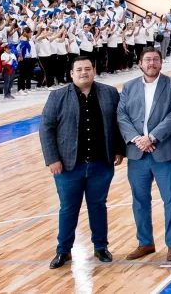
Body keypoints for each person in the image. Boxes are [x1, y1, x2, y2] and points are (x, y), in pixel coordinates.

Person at [39, 55, 126, 269]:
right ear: (71, 73)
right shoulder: (57, 96)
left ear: (94, 71)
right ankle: (63, 250)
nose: (84, 73)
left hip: (101, 163)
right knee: (68, 208)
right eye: (79, 70)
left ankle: (100, 247)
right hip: (68, 166)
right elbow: (46, 128)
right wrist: (52, 159)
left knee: (98, 206)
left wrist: (118, 150)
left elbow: (118, 124)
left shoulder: (110, 93)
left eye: (87, 69)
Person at [117, 47, 171, 262]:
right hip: (137, 154)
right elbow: (121, 115)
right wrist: (137, 139)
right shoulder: (128, 87)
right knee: (139, 200)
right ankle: (145, 242)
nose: (152, 63)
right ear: (140, 63)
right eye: (147, 60)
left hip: (164, 152)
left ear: (161, 63)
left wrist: (152, 137)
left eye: (156, 59)